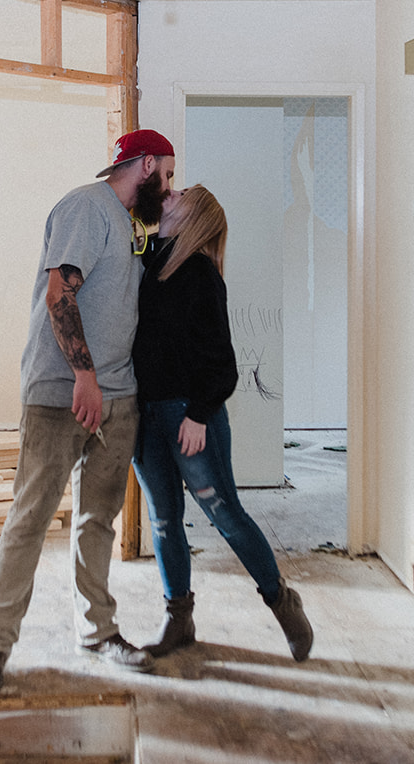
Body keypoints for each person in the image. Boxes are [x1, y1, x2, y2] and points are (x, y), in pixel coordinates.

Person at [0, 129, 177, 698]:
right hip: (64, 389)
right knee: (32, 515)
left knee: (97, 520)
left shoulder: (131, 222)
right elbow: (61, 292)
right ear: (148, 164)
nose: (169, 187)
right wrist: (84, 376)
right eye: (169, 175)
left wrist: (112, 385)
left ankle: (98, 631)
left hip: (119, 395)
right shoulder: (88, 205)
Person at [130, 185, 314, 661]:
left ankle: (280, 598)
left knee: (224, 512)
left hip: (188, 414)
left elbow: (223, 366)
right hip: (146, 414)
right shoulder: (152, 259)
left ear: (194, 216)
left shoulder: (199, 275)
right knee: (164, 519)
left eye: (181, 193)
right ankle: (179, 619)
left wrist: (196, 416)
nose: (170, 193)